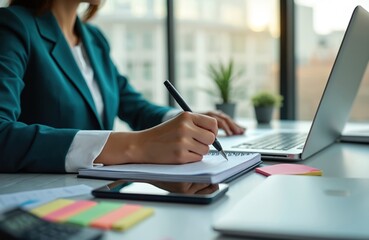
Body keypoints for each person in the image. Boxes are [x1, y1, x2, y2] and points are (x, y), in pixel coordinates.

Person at [0, 0, 245, 173]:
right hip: (43, 201)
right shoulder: (13, 25)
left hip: (98, 192)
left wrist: (186, 118)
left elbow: (133, 106)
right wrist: (136, 146)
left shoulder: (94, 39)